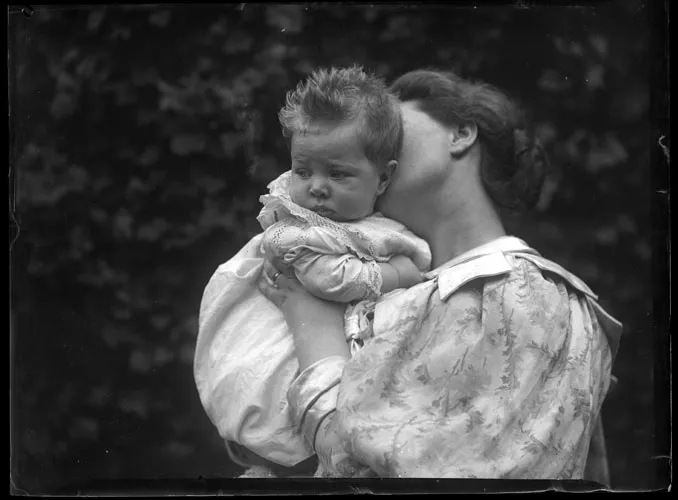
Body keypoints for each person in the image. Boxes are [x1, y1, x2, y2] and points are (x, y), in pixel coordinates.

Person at [256, 68, 623, 480]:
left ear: (460, 133)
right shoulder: (386, 286)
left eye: (390, 130)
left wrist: (314, 330)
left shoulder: (528, 293)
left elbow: (396, 476)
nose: (366, 145)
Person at [193, 66, 432, 472]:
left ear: (384, 177)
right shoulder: (297, 232)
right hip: (281, 334)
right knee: (271, 391)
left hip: (340, 375)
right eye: (303, 171)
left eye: (338, 174)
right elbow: (327, 280)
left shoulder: (366, 228)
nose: (316, 187)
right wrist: (397, 275)